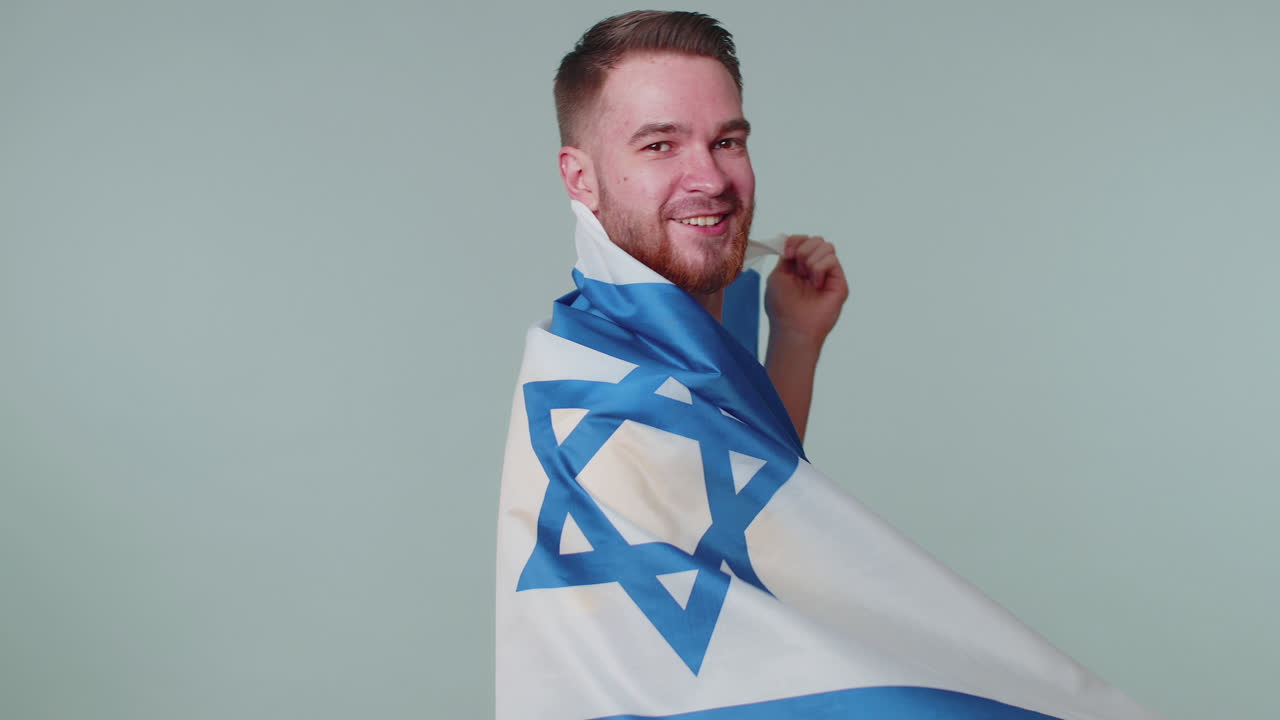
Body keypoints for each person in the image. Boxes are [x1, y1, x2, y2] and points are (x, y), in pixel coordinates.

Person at [496, 11, 1160, 720]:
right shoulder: (591, 385)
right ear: (582, 178)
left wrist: (795, 341)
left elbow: (750, 519)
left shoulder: (658, 348)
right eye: (660, 144)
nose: (710, 177)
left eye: (727, 141)